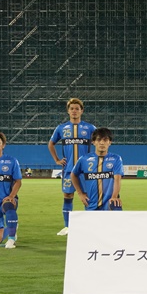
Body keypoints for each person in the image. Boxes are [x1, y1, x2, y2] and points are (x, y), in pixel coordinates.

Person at [48, 98, 96, 235]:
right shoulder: (61, 128)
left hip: (86, 171)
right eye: (72, 109)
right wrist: (57, 160)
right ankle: (68, 226)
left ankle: (89, 226)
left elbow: (99, 142)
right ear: (68, 111)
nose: (74, 111)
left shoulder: (90, 128)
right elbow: (51, 143)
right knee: (68, 195)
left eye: (77, 109)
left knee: (87, 197)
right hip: (68, 169)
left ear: (82, 111)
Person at [70, 128, 123, 211]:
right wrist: (80, 194)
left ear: (110, 142)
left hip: (109, 204)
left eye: (105, 140)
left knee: (116, 215)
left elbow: (117, 179)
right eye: (98, 140)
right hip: (91, 203)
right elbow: (73, 175)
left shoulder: (116, 159)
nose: (102, 143)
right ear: (93, 142)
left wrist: (114, 197)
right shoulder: (84, 159)